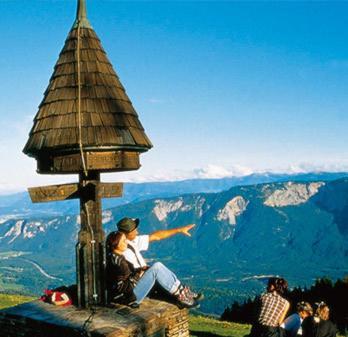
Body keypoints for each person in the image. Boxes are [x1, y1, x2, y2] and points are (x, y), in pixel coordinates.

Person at [106, 231, 200, 308]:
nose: (126, 242)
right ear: (116, 244)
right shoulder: (118, 262)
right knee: (156, 268)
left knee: (157, 266)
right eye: (123, 241)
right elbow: (121, 286)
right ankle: (181, 295)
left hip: (131, 292)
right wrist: (139, 274)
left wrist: (140, 271)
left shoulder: (117, 257)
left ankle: (181, 290)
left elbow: (126, 278)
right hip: (130, 297)